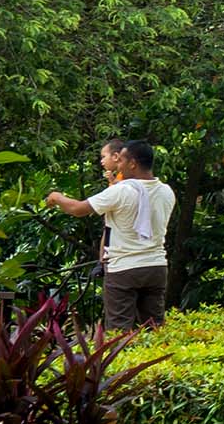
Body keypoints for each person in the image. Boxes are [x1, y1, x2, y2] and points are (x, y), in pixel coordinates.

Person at [47, 139, 176, 330]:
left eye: (122, 161)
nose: (119, 165)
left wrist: (57, 197)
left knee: (119, 334)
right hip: (156, 267)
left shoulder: (121, 191)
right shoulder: (167, 192)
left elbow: (78, 209)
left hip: (124, 269)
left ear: (133, 163)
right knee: (154, 329)